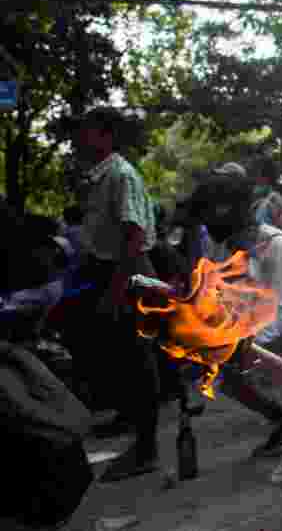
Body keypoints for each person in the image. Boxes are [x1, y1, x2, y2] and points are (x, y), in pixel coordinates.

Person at [189, 175, 282, 456]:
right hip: (268, 327)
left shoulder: (275, 246)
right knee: (226, 377)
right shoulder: (221, 251)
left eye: (209, 213)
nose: (205, 222)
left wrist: (246, 342)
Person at [65, 107, 163, 482]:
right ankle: (134, 429)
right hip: (115, 272)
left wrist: (119, 288)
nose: (80, 139)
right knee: (123, 357)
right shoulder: (100, 178)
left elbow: (134, 238)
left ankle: (147, 449)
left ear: (105, 136)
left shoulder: (121, 175)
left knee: (138, 360)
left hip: (130, 271)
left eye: (87, 132)